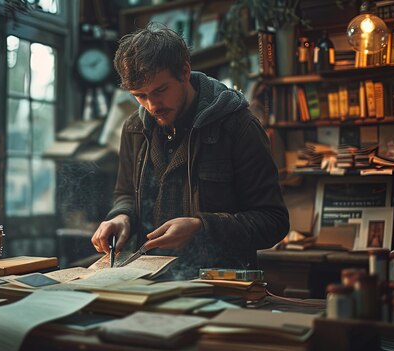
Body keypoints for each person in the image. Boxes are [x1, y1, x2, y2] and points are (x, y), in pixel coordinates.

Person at [91, 24, 289, 278]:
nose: (152, 105)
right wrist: (121, 217)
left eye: (160, 90)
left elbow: (273, 221)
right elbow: (126, 194)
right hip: (147, 282)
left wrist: (201, 227)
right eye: (139, 95)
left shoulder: (238, 126)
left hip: (220, 286)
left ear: (185, 71)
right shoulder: (134, 128)